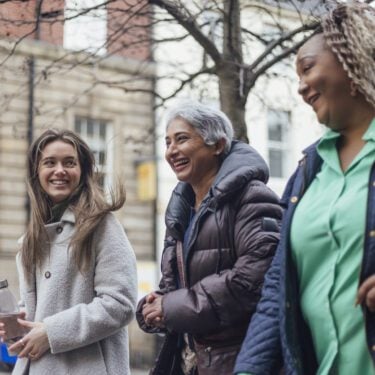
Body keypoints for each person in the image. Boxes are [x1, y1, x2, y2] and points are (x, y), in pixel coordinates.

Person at [235, 2, 375, 374]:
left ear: (351, 55)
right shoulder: (308, 170)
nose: (300, 87)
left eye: (308, 68)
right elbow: (277, 289)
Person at [136, 100, 282, 375]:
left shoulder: (252, 197)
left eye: (182, 139)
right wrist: (156, 303)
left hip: (237, 361)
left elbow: (252, 280)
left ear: (217, 145)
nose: (171, 151)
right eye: (167, 142)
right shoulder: (181, 209)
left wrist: (171, 306)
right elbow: (178, 283)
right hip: (189, 361)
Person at [0, 129, 137, 375]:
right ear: (37, 173)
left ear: (83, 171)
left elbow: (120, 304)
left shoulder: (102, 225)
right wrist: (14, 330)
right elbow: (36, 314)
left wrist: (51, 332)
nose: (59, 170)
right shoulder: (30, 240)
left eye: (69, 162)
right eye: (49, 163)